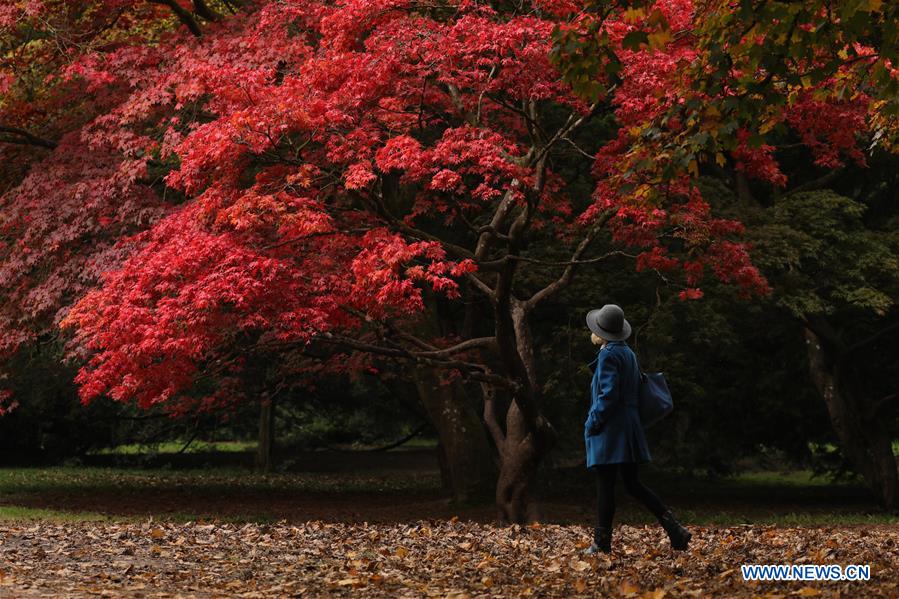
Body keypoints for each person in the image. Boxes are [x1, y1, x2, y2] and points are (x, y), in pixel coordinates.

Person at [583, 303, 691, 555]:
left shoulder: (609, 354)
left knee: (606, 484)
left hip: (612, 428)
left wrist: (593, 422)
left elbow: (608, 395)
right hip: (628, 427)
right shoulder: (627, 352)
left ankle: (601, 542)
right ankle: (674, 529)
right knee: (633, 484)